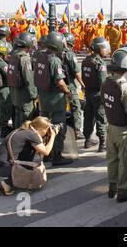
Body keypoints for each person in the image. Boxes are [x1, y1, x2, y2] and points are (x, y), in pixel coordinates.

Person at [101, 48, 127, 203]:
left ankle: (113, 186)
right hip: (124, 130)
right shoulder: (126, 87)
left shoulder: (107, 82)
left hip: (110, 127)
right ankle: (123, 190)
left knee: (112, 158)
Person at [34, 32, 73, 166]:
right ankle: (57, 155)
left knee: (44, 127)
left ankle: (46, 154)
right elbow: (60, 81)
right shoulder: (54, 60)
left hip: (43, 99)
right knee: (59, 127)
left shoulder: (40, 57)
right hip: (55, 100)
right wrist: (68, 92)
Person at [0, 117, 57, 196]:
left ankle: (13, 179)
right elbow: (46, 152)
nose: (48, 131)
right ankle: (7, 183)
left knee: (34, 157)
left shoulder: (25, 130)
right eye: (48, 129)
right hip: (4, 167)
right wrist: (53, 135)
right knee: (36, 162)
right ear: (42, 129)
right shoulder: (32, 134)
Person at [82, 37, 110, 152]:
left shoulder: (86, 60)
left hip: (88, 93)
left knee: (88, 117)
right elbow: (102, 83)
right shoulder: (100, 63)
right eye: (104, 48)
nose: (106, 50)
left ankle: (87, 140)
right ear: (99, 49)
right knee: (101, 118)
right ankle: (102, 143)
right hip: (98, 95)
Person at [7, 32, 38, 129]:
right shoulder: (24, 58)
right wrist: (34, 95)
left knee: (17, 115)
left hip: (14, 92)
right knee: (26, 118)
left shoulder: (12, 55)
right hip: (24, 95)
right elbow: (28, 78)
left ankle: (16, 136)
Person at [61, 33, 85, 140]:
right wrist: (82, 84)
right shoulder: (69, 54)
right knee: (76, 107)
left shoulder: (57, 53)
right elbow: (76, 72)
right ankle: (77, 130)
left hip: (59, 85)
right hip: (69, 85)